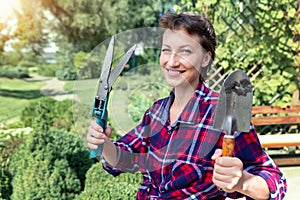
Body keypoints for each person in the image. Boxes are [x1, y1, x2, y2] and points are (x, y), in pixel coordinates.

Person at [87, 12, 287, 199]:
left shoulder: (224, 110)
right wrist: (103, 143)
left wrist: (242, 182)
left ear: (205, 58)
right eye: (166, 50)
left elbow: (274, 181)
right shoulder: (156, 112)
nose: (172, 62)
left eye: (185, 51)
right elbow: (125, 158)